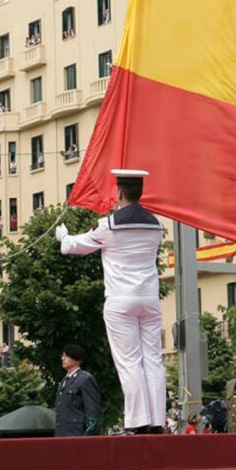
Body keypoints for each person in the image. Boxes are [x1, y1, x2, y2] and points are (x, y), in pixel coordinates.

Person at [57, 169, 167, 434]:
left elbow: (75, 246)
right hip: (149, 298)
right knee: (153, 359)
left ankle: (137, 420)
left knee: (129, 361)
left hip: (120, 299)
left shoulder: (109, 226)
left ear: (118, 193)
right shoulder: (156, 226)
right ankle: (157, 420)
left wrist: (63, 236)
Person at [55, 344, 101, 436]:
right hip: (62, 433)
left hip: (77, 434)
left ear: (75, 358)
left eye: (66, 356)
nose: (62, 358)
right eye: (63, 356)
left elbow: (92, 411)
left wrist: (88, 435)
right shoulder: (64, 380)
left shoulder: (85, 379)